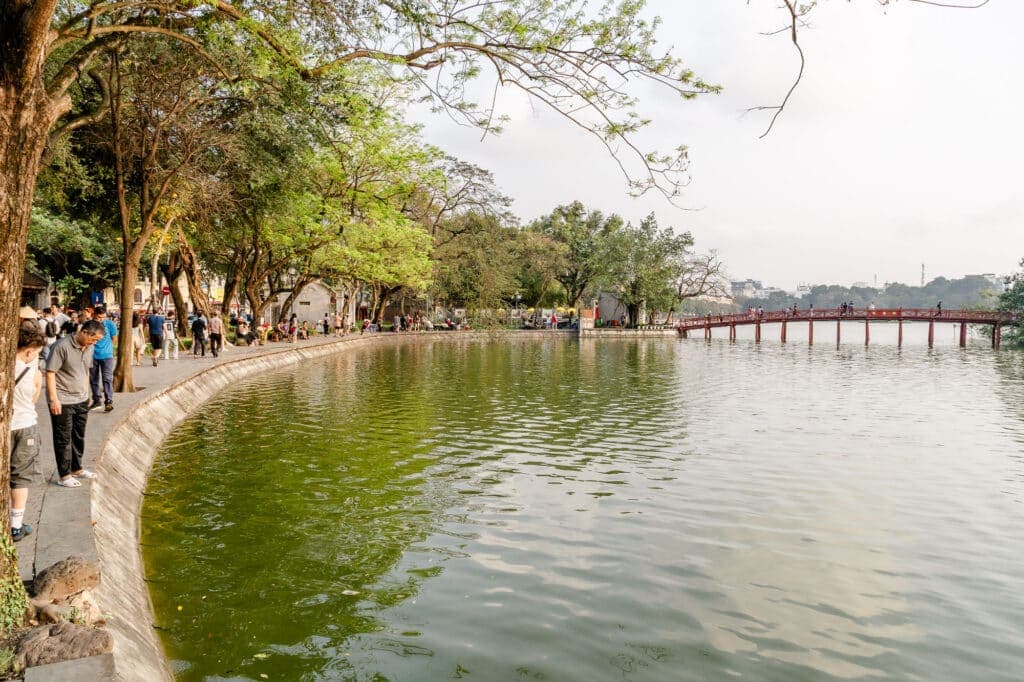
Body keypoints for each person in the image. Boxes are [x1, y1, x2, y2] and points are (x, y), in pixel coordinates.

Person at [46, 319, 105, 488]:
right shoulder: (61, 346)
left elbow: (86, 371)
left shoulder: (90, 348)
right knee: (63, 437)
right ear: (84, 332)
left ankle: (77, 468)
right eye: (93, 339)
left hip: (81, 398)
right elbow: (50, 373)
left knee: (79, 435)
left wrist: (87, 393)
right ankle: (64, 475)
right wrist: (53, 399)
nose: (94, 343)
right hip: (63, 399)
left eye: (97, 341)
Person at [11, 325, 46, 540]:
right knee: (21, 477)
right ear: (29, 351)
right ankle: (16, 525)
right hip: (25, 426)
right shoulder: (33, 372)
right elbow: (33, 400)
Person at [88, 305, 117, 412]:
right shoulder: (90, 324)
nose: (101, 319)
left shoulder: (110, 324)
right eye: (99, 317)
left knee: (107, 378)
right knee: (93, 379)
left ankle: (109, 401)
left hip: (107, 356)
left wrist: (108, 349)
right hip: (92, 355)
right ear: (94, 315)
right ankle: (97, 401)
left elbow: (114, 339)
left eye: (103, 317)